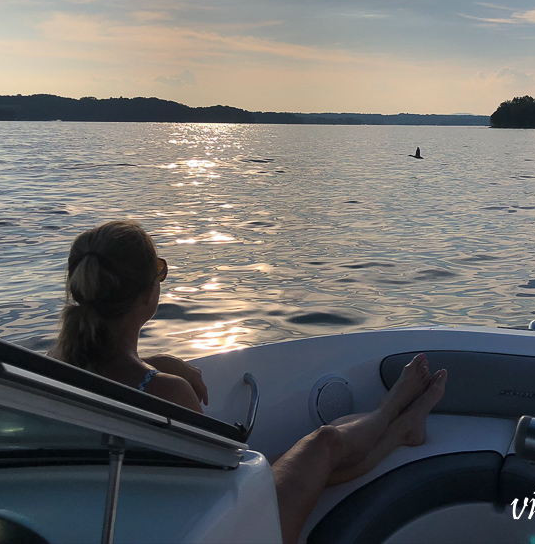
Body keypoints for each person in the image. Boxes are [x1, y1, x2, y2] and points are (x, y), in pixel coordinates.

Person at [49, 220, 447, 544]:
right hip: (226, 532)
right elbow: (230, 484)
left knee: (292, 463)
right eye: (159, 270)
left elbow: (107, 372)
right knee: (323, 444)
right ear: (146, 295)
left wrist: (156, 361)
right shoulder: (166, 392)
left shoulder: (49, 372)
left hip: (128, 518)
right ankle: (392, 410)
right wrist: (158, 371)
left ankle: (400, 431)